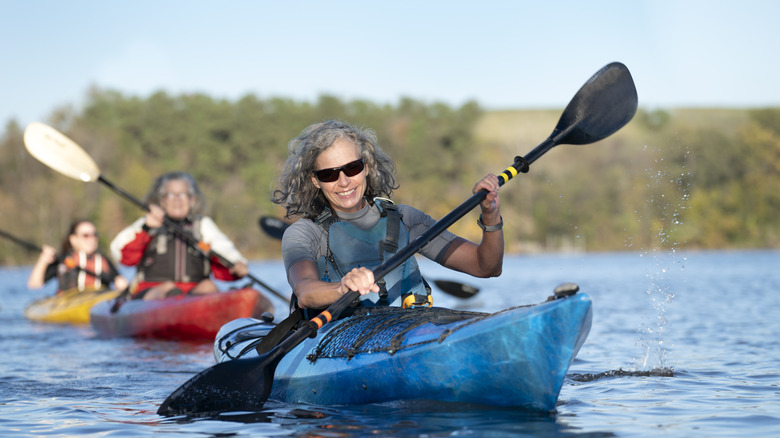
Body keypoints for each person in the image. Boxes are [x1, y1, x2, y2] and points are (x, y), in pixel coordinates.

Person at [271, 120, 503, 315]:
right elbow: (305, 291)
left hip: (405, 333)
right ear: (315, 181)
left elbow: (486, 267)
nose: (344, 182)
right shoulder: (303, 233)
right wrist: (342, 289)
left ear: (367, 167)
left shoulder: (407, 220)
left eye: (352, 168)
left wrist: (490, 215)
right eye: (329, 174)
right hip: (330, 340)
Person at [110, 171, 249, 301]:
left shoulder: (203, 226)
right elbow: (124, 258)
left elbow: (225, 253)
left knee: (209, 286)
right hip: (152, 292)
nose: (177, 200)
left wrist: (237, 265)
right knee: (168, 288)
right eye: (171, 195)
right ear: (162, 200)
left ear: (192, 199)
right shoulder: (147, 224)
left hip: (194, 294)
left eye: (182, 194)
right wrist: (147, 229)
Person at [27, 219, 129, 294]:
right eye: (86, 235)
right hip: (69, 304)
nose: (91, 239)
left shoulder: (103, 260)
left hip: (97, 301)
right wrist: (43, 260)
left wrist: (121, 284)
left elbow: (120, 282)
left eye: (94, 235)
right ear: (73, 239)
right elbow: (34, 284)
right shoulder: (63, 260)